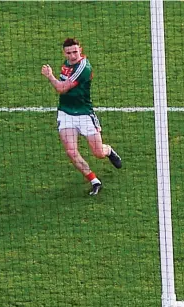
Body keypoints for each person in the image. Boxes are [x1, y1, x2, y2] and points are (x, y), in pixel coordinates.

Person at [41, 38, 122, 196]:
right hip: (66, 113)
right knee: (71, 152)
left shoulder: (84, 68)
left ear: (81, 50)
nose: (72, 56)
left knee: (98, 152)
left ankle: (109, 150)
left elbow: (62, 89)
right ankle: (94, 181)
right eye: (69, 53)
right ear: (64, 53)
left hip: (84, 114)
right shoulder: (66, 64)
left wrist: (50, 76)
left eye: (75, 52)